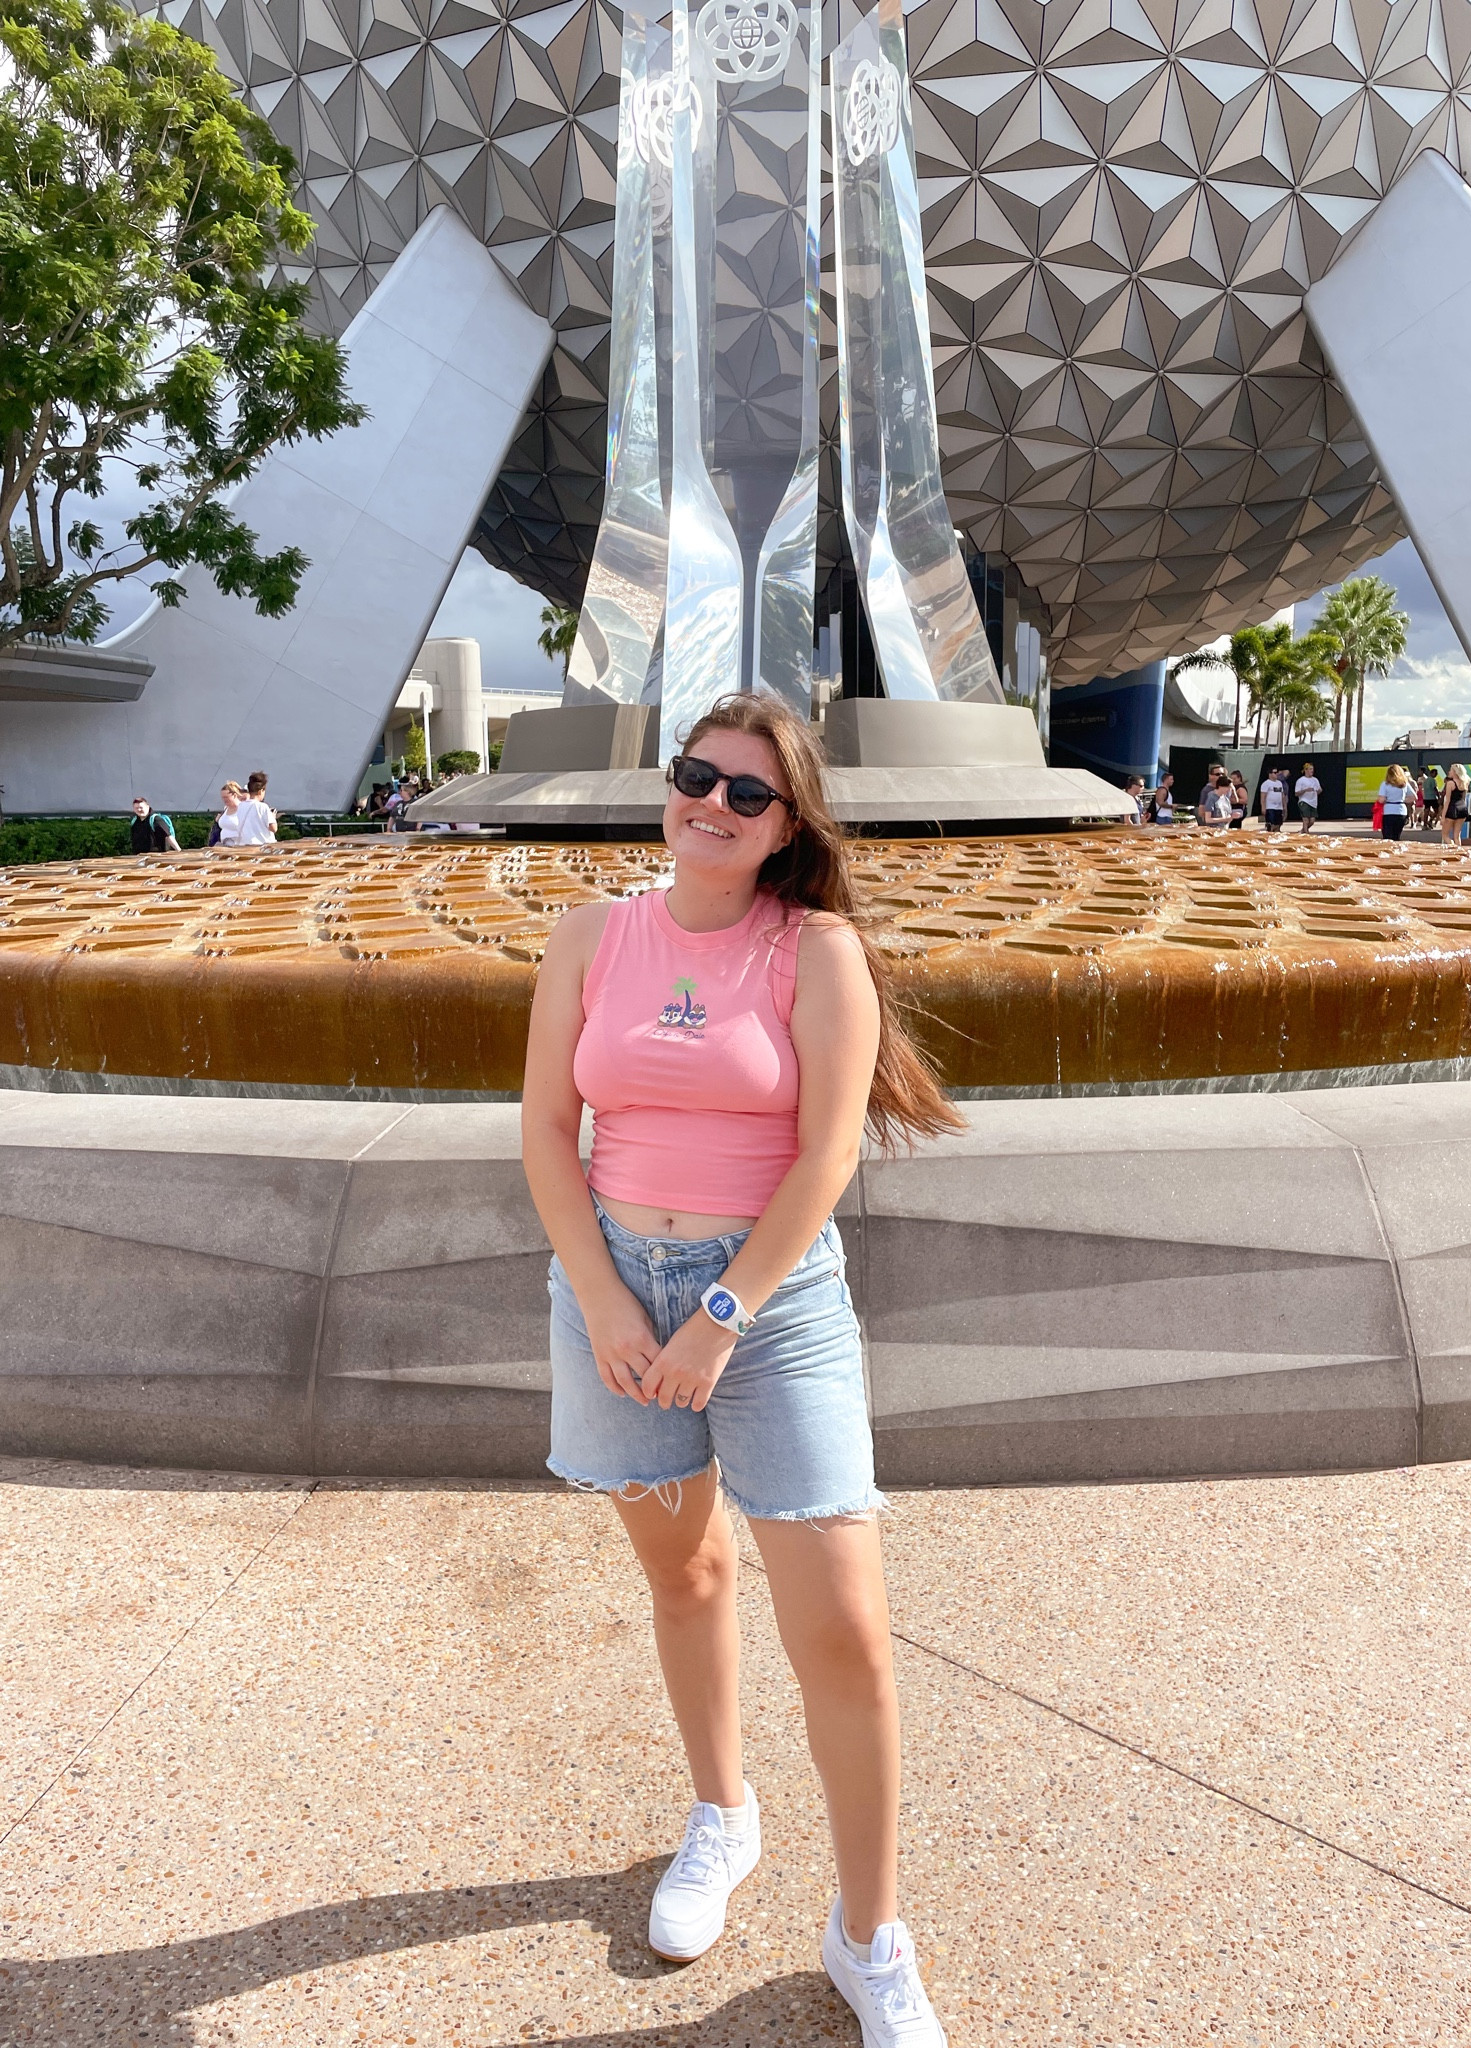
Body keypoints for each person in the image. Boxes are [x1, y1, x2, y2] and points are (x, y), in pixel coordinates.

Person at [522, 691, 962, 2046]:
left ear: (787, 827)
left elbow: (829, 1150)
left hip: (766, 1308)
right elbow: (547, 1129)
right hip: (613, 1300)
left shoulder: (816, 950)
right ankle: (724, 1815)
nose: (710, 803)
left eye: (747, 794)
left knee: (845, 1631)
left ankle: (868, 1933)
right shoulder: (592, 935)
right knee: (686, 1576)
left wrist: (721, 1308)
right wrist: (606, 1299)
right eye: (693, 776)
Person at [234, 771, 277, 845]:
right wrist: (273, 817)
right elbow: (273, 828)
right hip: (263, 845)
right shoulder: (263, 806)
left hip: (245, 844)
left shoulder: (241, 806)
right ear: (261, 791)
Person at [1377, 763, 1411, 842]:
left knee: (1387, 836)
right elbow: (1413, 797)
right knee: (1396, 836)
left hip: (1388, 811)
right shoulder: (1404, 784)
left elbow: (1381, 800)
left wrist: (1387, 799)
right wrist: (1402, 800)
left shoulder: (1385, 784)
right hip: (1401, 811)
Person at [207, 781, 244, 849]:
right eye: (223, 797)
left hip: (238, 846)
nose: (224, 800)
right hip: (223, 845)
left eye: (226, 797)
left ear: (235, 795)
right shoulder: (225, 809)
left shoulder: (243, 809)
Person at [1443, 764, 1471, 845]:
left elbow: (1447, 800)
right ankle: (1459, 852)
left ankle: (1454, 850)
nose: (1449, 772)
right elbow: (1464, 798)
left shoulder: (1450, 783)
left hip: (1452, 809)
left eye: (1451, 770)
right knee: (1457, 836)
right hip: (1462, 808)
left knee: (1445, 835)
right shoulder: (1465, 782)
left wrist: (1443, 816)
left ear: (1455, 772)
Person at [1258, 765, 1287, 833]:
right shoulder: (1266, 784)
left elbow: (1282, 795)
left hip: (1279, 807)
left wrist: (1284, 806)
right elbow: (1263, 796)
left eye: (1277, 772)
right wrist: (1263, 807)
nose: (1277, 774)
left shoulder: (1279, 783)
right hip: (1270, 807)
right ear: (1270, 774)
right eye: (1275, 772)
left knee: (1278, 825)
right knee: (1271, 825)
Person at [1295, 761, 1322, 833]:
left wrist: (1319, 790)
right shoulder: (1301, 780)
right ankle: (1306, 833)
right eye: (1310, 769)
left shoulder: (1315, 780)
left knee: (1312, 821)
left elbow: (1319, 790)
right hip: (1304, 801)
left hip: (1313, 802)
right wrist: (1305, 790)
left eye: (1312, 769)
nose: (1312, 771)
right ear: (1306, 770)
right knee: (1306, 819)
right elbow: (1296, 793)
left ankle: (1302, 831)